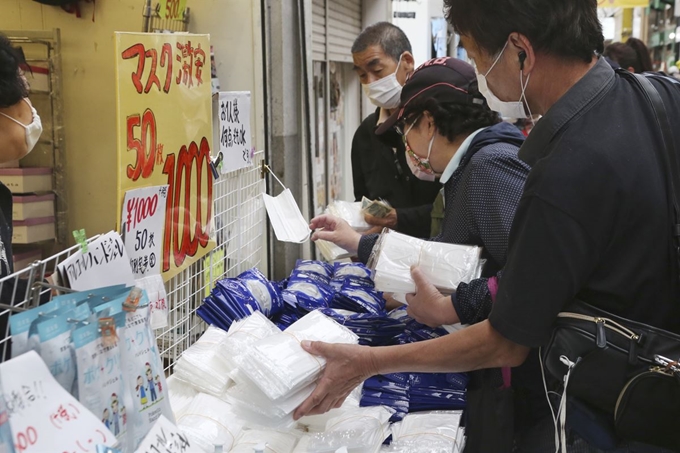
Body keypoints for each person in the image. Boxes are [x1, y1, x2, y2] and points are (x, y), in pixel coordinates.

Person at [294, 1, 680, 451]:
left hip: (613, 412)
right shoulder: (659, 96)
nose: (480, 78)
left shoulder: (562, 169)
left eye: (478, 58)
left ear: (520, 51)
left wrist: (369, 362)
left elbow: (506, 341)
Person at [309, 56, 530, 451]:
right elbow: (444, 258)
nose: (407, 146)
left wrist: (451, 307)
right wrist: (356, 242)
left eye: (407, 130)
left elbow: (529, 277)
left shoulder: (489, 167)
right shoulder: (474, 168)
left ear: (428, 122)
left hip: (508, 375)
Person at [351, 22, 441, 237]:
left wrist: (399, 218)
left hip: (442, 253)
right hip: (387, 258)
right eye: (362, 75)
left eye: (377, 71)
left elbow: (457, 204)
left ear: (407, 62)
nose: (370, 82)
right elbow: (363, 201)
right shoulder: (365, 134)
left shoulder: (438, 121)